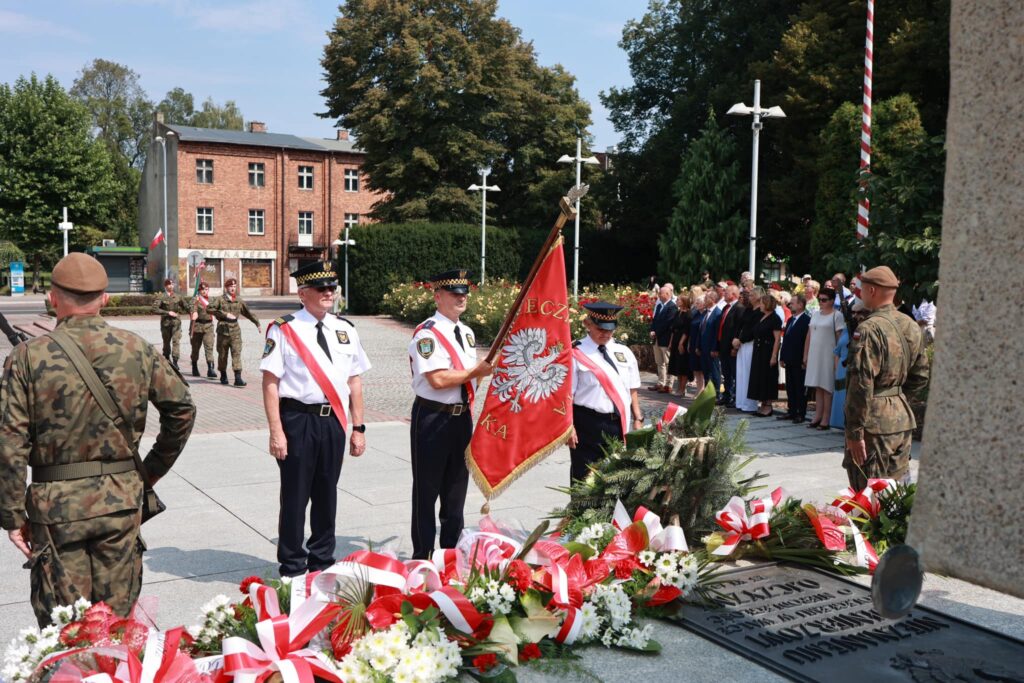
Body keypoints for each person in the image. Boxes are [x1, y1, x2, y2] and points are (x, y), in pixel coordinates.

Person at [0, 253, 195, 627]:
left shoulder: (27, 356)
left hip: (56, 511)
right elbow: (182, 411)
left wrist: (11, 516)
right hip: (120, 502)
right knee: (118, 626)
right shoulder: (136, 348)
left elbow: (9, 441)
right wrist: (148, 472)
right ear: (105, 298)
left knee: (64, 629)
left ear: (53, 297)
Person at [260, 261, 370, 577]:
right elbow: (270, 382)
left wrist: (358, 428)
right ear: (303, 292)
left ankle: (322, 560)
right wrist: (276, 431)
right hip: (297, 419)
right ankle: (292, 566)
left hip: (332, 420)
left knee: (327, 492)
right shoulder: (284, 328)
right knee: (295, 495)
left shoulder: (346, 329)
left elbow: (354, 382)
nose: (328, 293)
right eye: (321, 288)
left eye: (331, 288)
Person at [408, 269, 492, 560]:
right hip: (432, 417)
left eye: (464, 293)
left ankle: (450, 555)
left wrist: (476, 377)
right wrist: (475, 371)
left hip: (460, 417)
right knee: (427, 490)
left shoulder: (466, 333)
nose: (461, 298)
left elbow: (471, 379)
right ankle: (422, 556)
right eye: (454, 293)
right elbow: (438, 379)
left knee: (456, 490)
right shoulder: (427, 333)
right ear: (438, 296)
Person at [843, 266, 929, 490]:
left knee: (869, 495)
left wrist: (854, 432)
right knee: (897, 491)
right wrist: (895, 400)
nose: (859, 293)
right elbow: (921, 375)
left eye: (861, 289)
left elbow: (860, 384)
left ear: (872, 290)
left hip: (874, 424)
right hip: (901, 419)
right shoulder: (910, 324)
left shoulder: (869, 329)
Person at [569, 302, 643, 483]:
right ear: (588, 324)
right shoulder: (575, 352)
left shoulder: (623, 351)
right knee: (585, 478)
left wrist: (638, 419)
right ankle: (579, 512)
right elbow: (567, 395)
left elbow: (632, 388)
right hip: (587, 423)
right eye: (600, 329)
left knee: (616, 477)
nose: (606, 334)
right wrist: (568, 427)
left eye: (610, 330)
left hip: (618, 424)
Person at [803, 287, 846, 430]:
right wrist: (806, 354)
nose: (821, 302)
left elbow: (840, 338)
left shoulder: (837, 315)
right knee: (817, 385)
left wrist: (838, 358)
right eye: (820, 299)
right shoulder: (815, 314)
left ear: (832, 301)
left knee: (827, 386)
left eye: (824, 300)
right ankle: (818, 415)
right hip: (815, 353)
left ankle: (826, 418)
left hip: (829, 353)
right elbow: (809, 335)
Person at [209, 278, 261, 386]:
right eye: (230, 286)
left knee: (236, 353)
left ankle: (238, 378)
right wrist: (224, 314)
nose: (233, 288)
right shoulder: (219, 299)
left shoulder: (238, 300)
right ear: (226, 288)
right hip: (223, 331)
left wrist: (257, 323)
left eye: (234, 286)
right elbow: (209, 309)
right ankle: (223, 374)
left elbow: (248, 313)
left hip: (235, 331)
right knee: (223, 355)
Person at [831, 299, 868, 430]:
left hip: (856, 369)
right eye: (853, 312)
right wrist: (836, 369)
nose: (855, 315)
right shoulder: (847, 330)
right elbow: (837, 350)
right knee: (840, 396)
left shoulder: (865, 329)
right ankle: (839, 423)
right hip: (842, 367)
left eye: (860, 312)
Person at [746, 289, 783, 417]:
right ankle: (762, 404)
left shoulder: (775, 318)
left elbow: (777, 339)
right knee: (759, 378)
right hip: (758, 351)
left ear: (767, 304)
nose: (760, 305)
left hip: (768, 351)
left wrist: (774, 356)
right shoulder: (762, 317)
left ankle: (768, 405)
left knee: (767, 378)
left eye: (762, 303)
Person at [778, 293, 811, 422]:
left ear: (801, 305)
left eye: (793, 302)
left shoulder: (807, 320)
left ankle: (800, 413)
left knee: (799, 387)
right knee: (790, 387)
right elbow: (786, 339)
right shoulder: (791, 320)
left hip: (799, 360)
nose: (790, 304)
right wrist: (783, 356)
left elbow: (806, 342)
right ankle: (791, 410)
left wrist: (805, 358)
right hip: (789, 359)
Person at [714, 284, 744, 406]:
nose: (724, 294)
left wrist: (734, 348)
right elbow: (721, 327)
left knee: (734, 374)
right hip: (723, 346)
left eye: (726, 292)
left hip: (731, 347)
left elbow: (738, 329)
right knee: (726, 374)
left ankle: (735, 397)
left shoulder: (739, 308)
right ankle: (726, 396)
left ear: (734, 295)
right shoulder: (726, 308)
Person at [733, 288, 762, 413]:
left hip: (750, 344)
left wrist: (741, 340)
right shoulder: (748, 310)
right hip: (741, 344)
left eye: (751, 295)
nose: (749, 297)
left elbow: (753, 330)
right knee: (741, 373)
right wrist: (736, 338)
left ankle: (750, 404)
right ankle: (741, 401)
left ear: (758, 296)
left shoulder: (760, 312)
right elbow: (741, 326)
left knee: (748, 373)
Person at [152, 278, 189, 370]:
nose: (171, 286)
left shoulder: (178, 296)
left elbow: (186, 306)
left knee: (176, 341)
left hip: (176, 323)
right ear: (165, 286)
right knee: (166, 342)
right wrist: (167, 312)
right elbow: (154, 309)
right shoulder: (161, 297)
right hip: (166, 323)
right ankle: (167, 358)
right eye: (169, 284)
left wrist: (193, 306)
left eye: (172, 284)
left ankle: (175, 361)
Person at [649, 286, 677, 393]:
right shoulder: (660, 305)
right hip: (657, 339)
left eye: (661, 293)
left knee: (668, 362)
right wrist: (652, 330)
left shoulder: (672, 307)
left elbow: (667, 324)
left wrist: (656, 332)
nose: (659, 295)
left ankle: (669, 385)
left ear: (667, 294)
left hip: (665, 339)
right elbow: (655, 320)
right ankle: (661, 383)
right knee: (659, 362)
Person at [188, 281, 218, 378]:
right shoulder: (195, 299)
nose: (204, 291)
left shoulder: (212, 300)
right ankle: (194, 366)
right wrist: (193, 313)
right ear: (199, 290)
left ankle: (211, 369)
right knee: (195, 349)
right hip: (197, 326)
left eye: (206, 289)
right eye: (202, 289)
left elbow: (217, 309)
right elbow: (192, 307)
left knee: (209, 347)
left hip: (209, 326)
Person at [698, 288, 723, 396]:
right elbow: (701, 330)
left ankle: (717, 393)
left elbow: (717, 333)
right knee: (706, 372)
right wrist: (698, 346)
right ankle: (708, 393)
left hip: (712, 349)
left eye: (706, 297)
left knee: (715, 372)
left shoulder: (718, 313)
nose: (704, 299)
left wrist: (715, 348)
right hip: (703, 348)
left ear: (712, 299)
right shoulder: (705, 313)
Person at [667, 293, 692, 396]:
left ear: (684, 302)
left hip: (683, 341)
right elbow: (673, 329)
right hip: (676, 339)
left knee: (683, 367)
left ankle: (682, 389)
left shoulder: (688, 314)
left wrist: (681, 343)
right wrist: (671, 343)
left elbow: (687, 330)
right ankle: (679, 388)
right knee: (677, 365)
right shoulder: (678, 313)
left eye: (679, 300)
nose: (677, 301)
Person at [687, 293, 706, 395]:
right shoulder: (695, 314)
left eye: (699, 302)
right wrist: (689, 343)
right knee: (695, 368)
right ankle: (699, 389)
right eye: (696, 302)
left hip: (701, 344)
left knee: (702, 368)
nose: (696, 303)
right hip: (693, 342)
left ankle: (702, 389)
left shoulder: (706, 314)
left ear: (704, 304)